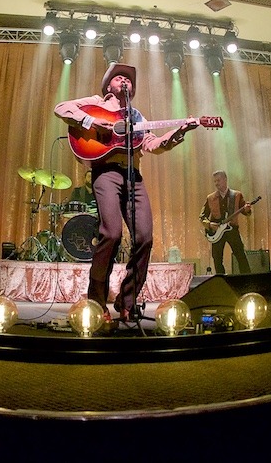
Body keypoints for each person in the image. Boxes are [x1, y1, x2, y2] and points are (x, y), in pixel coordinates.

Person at [55, 63, 198, 324]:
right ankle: (97, 302)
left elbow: (152, 144)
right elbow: (61, 108)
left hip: (134, 176)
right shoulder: (96, 103)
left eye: (129, 79)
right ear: (109, 85)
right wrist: (91, 120)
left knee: (145, 237)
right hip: (106, 172)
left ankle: (127, 302)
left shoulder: (137, 116)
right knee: (111, 234)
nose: (125, 81)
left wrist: (179, 131)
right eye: (119, 78)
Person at [199, 170, 253, 275]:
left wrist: (247, 210)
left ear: (225, 179)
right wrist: (209, 224)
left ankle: (247, 280)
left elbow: (245, 211)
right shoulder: (210, 198)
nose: (216, 183)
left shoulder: (237, 195)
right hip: (217, 231)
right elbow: (202, 216)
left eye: (218, 180)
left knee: (241, 256)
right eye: (215, 181)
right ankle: (222, 281)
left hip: (232, 229)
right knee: (217, 259)